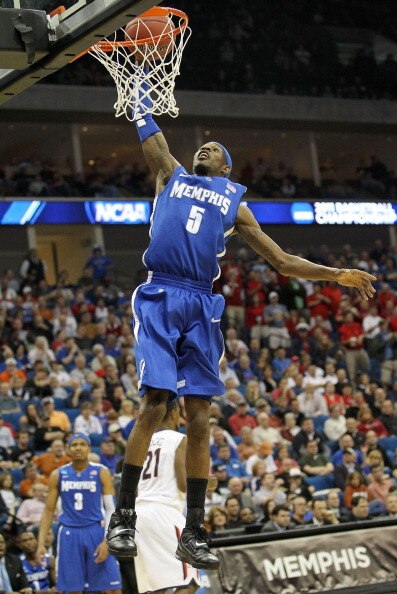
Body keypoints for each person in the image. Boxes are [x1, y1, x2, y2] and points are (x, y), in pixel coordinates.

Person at [106, 106, 376, 571]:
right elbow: (156, 145)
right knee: (156, 402)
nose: (205, 148)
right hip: (161, 291)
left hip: (201, 301)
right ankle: (124, 517)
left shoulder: (235, 203)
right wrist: (140, 105)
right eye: (201, 147)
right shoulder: (172, 175)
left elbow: (282, 261)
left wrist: (337, 274)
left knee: (200, 419)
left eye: (215, 148)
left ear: (227, 167)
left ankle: (194, 530)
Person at [36, 434, 121, 594]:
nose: (78, 447)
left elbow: (111, 509)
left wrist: (107, 540)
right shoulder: (58, 474)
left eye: (82, 444)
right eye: (74, 444)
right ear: (68, 449)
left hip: (95, 531)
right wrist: (40, 543)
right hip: (69, 533)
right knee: (73, 589)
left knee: (113, 588)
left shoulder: (100, 472)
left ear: (89, 448)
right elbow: (48, 511)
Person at [134, 401, 199, 594]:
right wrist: (205, 483)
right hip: (164, 513)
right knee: (189, 581)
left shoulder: (140, 442)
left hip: (140, 515)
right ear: (173, 413)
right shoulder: (179, 439)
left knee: (156, 587)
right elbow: (183, 483)